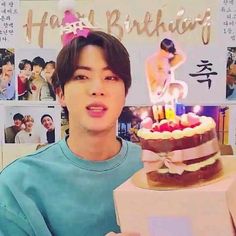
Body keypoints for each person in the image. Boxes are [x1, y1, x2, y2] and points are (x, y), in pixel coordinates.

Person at [0, 31, 142, 235]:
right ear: (60, 94)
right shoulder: (18, 184)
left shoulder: (155, 170)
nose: (97, 89)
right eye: (82, 76)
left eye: (110, 77)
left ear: (125, 93)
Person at [145, 38, 185, 104]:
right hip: (157, 95)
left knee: (182, 87)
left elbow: (181, 57)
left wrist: (173, 50)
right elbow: (155, 79)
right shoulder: (152, 60)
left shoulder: (167, 60)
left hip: (166, 94)